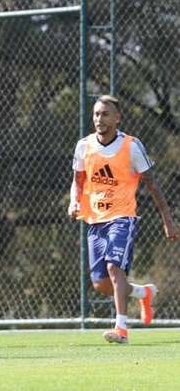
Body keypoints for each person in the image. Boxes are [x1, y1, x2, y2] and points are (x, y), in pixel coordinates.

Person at [68, 95, 178, 344]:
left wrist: (167, 220)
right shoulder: (84, 146)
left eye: (105, 114)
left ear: (117, 118)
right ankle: (142, 292)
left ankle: (121, 329)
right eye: (96, 114)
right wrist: (73, 201)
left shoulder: (131, 146)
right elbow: (78, 182)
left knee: (113, 268)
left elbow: (152, 184)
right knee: (101, 285)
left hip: (122, 217)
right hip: (95, 220)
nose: (99, 119)